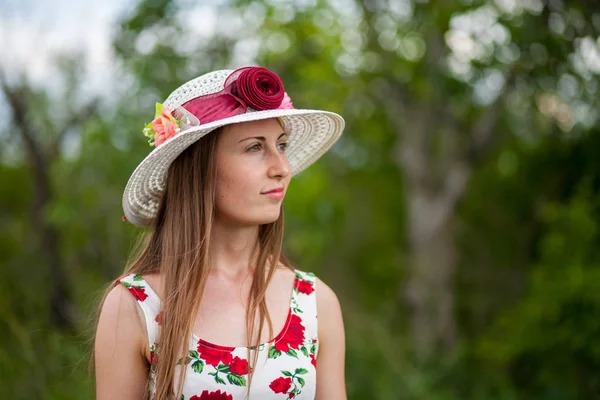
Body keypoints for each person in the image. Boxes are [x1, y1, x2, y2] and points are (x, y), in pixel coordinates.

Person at [93, 66, 347, 400]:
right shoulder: (136, 307)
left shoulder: (314, 303)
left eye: (281, 145)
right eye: (254, 147)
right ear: (198, 168)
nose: (281, 168)